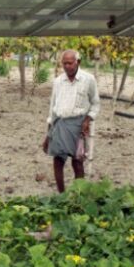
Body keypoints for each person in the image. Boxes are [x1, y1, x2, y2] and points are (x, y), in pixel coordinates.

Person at [42, 50, 100, 192]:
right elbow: (53, 107)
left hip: (78, 124)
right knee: (58, 160)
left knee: (77, 162)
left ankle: (78, 193)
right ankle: (61, 194)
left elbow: (95, 103)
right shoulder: (58, 81)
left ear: (78, 62)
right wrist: (48, 133)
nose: (67, 66)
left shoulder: (88, 79)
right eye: (64, 63)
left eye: (70, 63)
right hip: (60, 123)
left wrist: (88, 119)